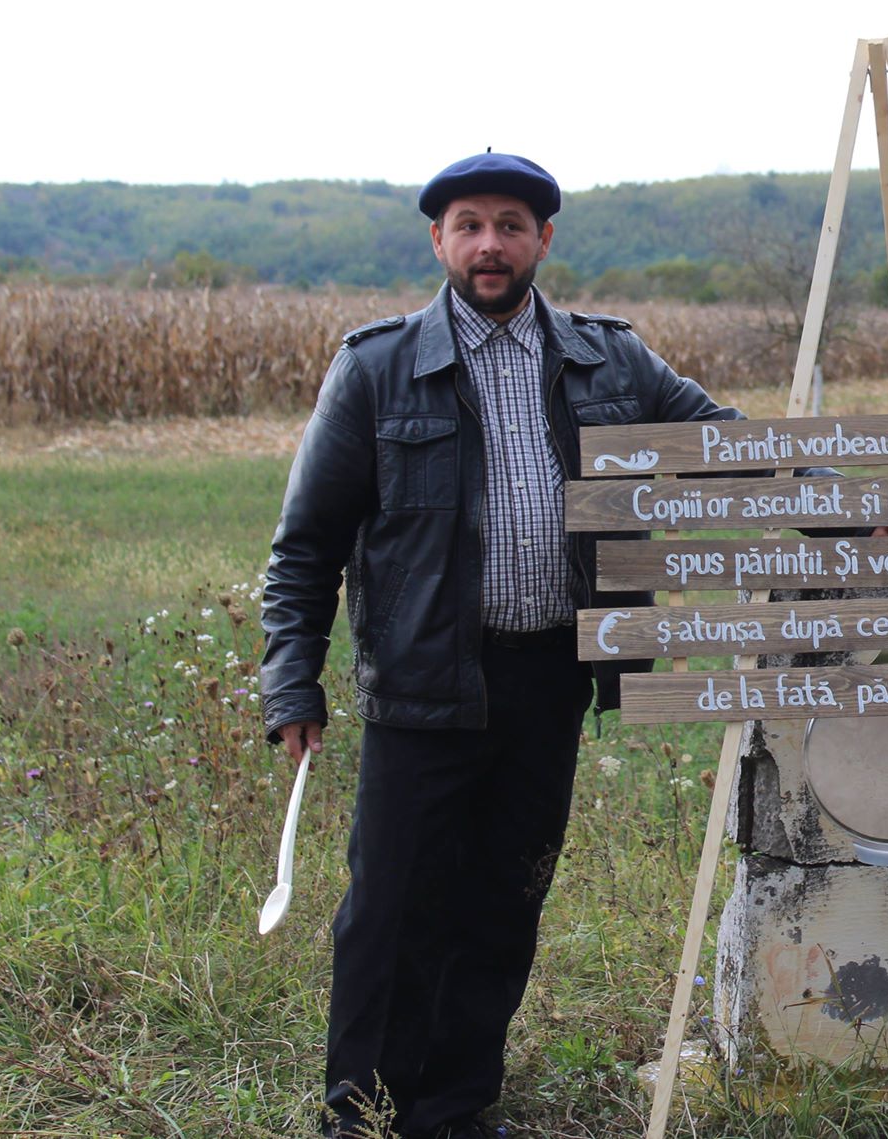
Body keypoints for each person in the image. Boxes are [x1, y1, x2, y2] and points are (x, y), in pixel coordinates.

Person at [258, 151, 753, 1138]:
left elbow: (720, 444)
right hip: (424, 682)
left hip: (549, 678)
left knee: (504, 898)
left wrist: (843, 505)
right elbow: (306, 544)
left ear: (543, 240)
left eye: (511, 226)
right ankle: (361, 1111)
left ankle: (454, 1105)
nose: (491, 244)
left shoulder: (612, 361)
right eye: (470, 225)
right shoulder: (376, 367)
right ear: (438, 239)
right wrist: (292, 683)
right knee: (391, 907)